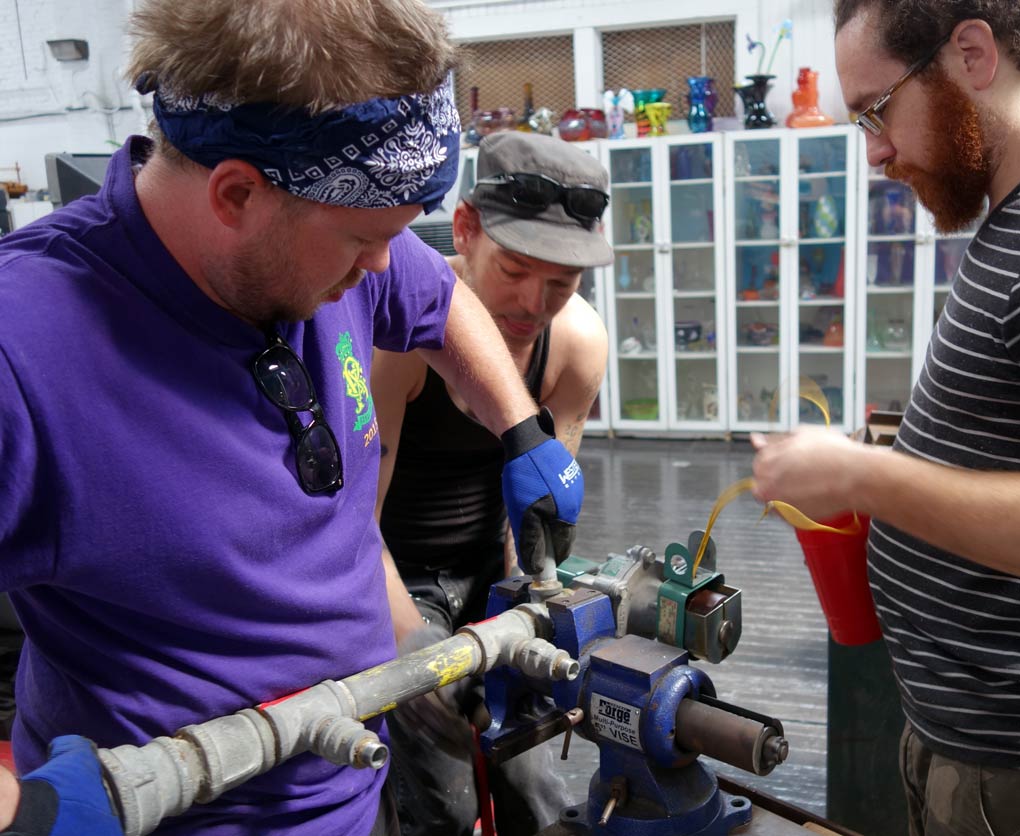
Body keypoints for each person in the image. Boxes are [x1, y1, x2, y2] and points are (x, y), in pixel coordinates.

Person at [0, 0, 586, 833]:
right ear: (237, 192)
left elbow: (438, 295)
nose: (384, 266)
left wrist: (520, 429)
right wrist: (29, 812)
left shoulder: (324, 228)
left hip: (350, 780)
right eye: (361, 241)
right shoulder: (24, 348)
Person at [752, 2, 1020, 834]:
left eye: (877, 109)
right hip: (992, 756)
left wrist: (866, 475)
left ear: (973, 54)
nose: (875, 149)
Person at [371, 131, 611, 836]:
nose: (534, 304)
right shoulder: (402, 339)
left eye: (561, 285)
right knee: (445, 798)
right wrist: (409, 643)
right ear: (467, 230)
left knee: (531, 776)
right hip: (392, 571)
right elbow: (354, 518)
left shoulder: (577, 342)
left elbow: (533, 518)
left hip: (488, 564)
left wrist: (525, 613)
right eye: (513, 271)